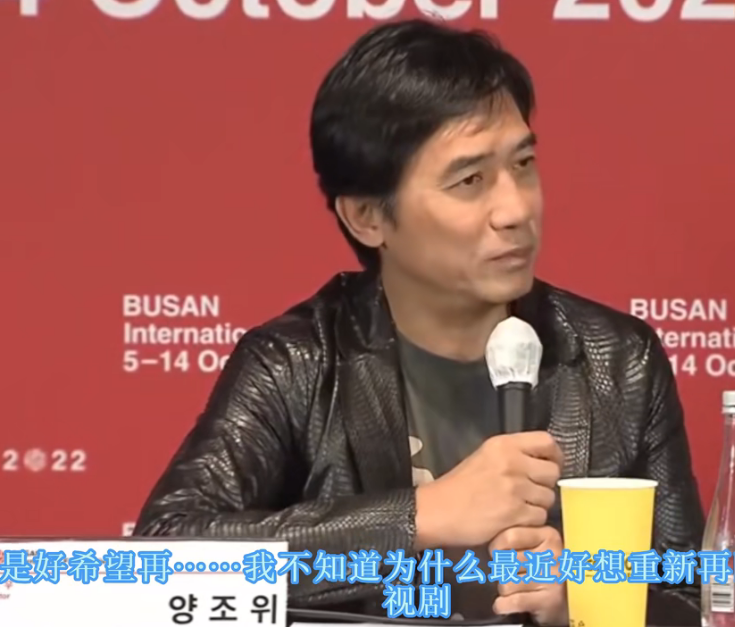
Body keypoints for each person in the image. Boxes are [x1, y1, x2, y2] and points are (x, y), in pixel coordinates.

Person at [134, 18, 705, 626]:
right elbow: (165, 553)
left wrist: (584, 605)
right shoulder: (297, 362)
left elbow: (696, 599)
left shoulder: (616, 360)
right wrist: (417, 516)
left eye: (523, 163)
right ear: (367, 217)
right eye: (470, 180)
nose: (515, 209)